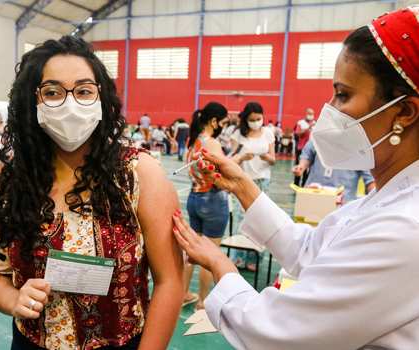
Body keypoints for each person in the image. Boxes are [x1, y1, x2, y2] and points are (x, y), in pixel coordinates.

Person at [172, 7, 419, 349]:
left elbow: (274, 331)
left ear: (404, 112)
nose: (329, 108)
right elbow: (311, 249)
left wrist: (218, 263)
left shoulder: (405, 227)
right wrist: (242, 185)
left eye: (343, 95)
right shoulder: (388, 198)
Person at [0, 36, 184, 350]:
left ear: (101, 98)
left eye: (84, 90)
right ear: (32, 103)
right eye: (53, 92)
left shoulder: (137, 173)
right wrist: (15, 298)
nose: (70, 104)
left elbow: (170, 282)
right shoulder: (13, 182)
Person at [182, 102, 229, 310]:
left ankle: (183, 294)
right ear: (213, 121)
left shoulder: (193, 142)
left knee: (192, 252)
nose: (224, 126)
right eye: (223, 122)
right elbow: (225, 173)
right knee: (209, 254)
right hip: (212, 199)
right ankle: (202, 301)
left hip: (194, 198)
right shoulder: (212, 144)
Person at [230, 102, 275, 271]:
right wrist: (242, 157)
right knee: (242, 220)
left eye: (259, 119)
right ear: (245, 119)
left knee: (259, 218)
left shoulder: (268, 133)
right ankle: (238, 257)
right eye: (252, 119)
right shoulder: (238, 135)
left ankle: (254, 258)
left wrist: (267, 158)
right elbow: (232, 159)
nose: (256, 122)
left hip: (262, 180)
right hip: (243, 180)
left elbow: (274, 158)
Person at [293, 140, 375, 203]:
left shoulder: (360, 147)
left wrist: (375, 200)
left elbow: (370, 180)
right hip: (313, 195)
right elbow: (307, 154)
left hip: (342, 203)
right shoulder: (320, 137)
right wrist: (301, 166)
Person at [294, 108, 316, 186]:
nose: (311, 116)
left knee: (308, 169)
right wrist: (308, 127)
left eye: (312, 114)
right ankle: (296, 184)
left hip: (311, 150)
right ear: (306, 113)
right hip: (301, 148)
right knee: (299, 166)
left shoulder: (315, 123)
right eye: (309, 114)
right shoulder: (300, 123)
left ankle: (304, 185)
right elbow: (298, 133)